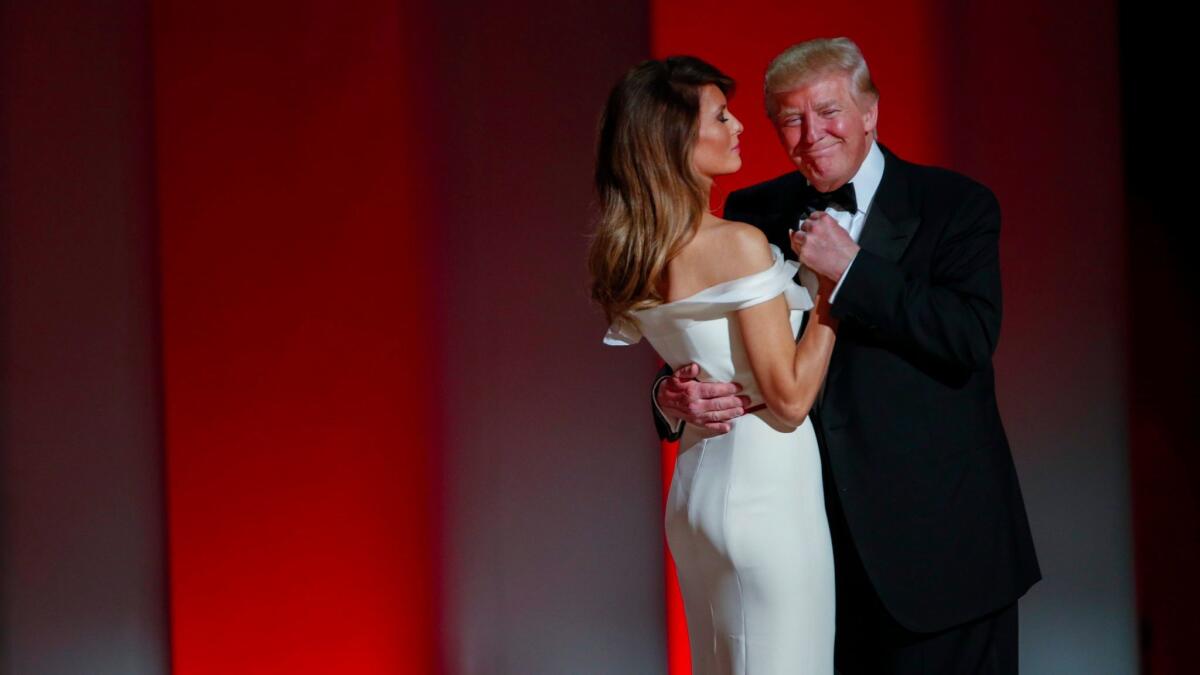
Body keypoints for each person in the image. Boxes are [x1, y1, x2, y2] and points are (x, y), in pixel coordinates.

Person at [653, 38, 1041, 674]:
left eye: (828, 112)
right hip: (808, 550)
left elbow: (968, 337)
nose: (811, 135)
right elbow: (713, 346)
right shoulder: (752, 214)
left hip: (944, 556)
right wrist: (669, 396)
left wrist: (855, 269)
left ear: (870, 112)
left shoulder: (956, 206)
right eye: (791, 119)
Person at [592, 56, 839, 673]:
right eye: (721, 116)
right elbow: (788, 401)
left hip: (698, 486)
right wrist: (833, 294)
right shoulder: (734, 243)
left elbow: (696, 361)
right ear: (677, 138)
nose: (739, 128)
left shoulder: (638, 249)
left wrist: (666, 397)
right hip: (765, 486)